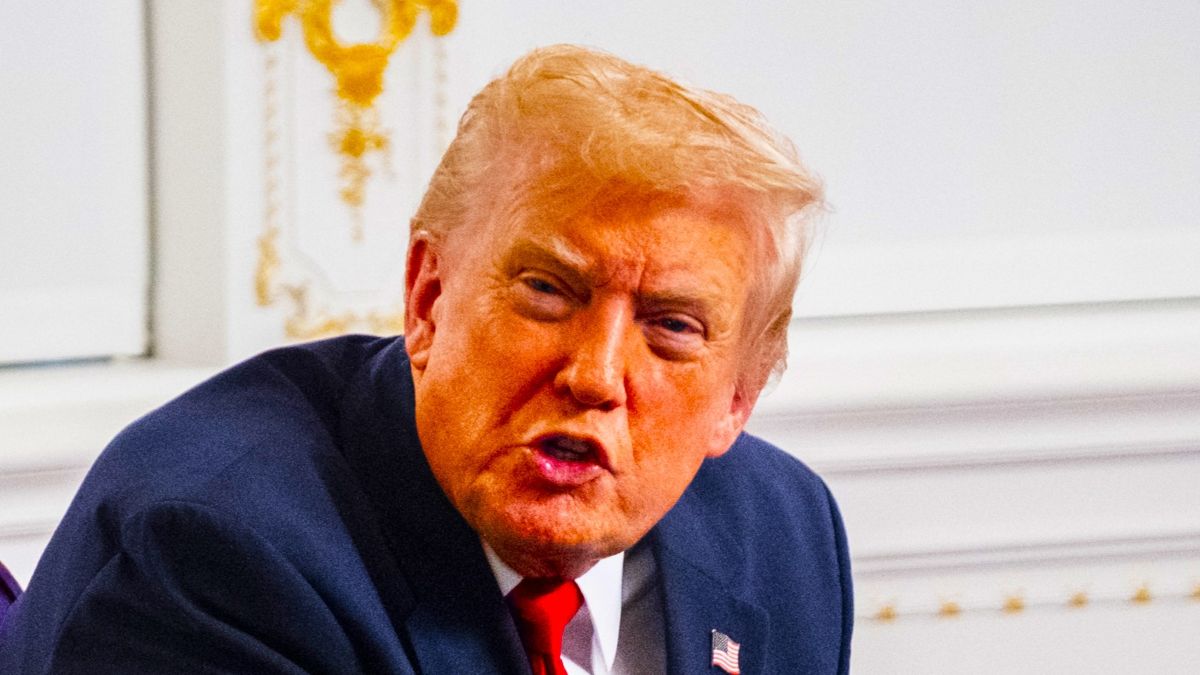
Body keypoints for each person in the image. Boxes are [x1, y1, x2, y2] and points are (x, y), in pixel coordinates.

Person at [0, 45, 852, 674]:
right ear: (428, 298)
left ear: (738, 398)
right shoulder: (217, 556)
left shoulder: (783, 530)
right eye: (549, 290)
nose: (594, 374)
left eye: (670, 327)